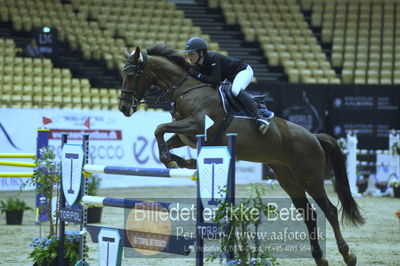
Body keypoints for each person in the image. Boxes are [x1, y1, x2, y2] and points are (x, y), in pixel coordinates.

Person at [183, 37, 274, 134]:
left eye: (192, 54)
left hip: (243, 71)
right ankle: (257, 104)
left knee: (235, 90)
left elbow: (215, 81)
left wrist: (197, 75)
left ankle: (259, 118)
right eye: (188, 54)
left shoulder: (213, 58)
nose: (189, 57)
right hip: (230, 78)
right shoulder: (199, 65)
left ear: (201, 53)